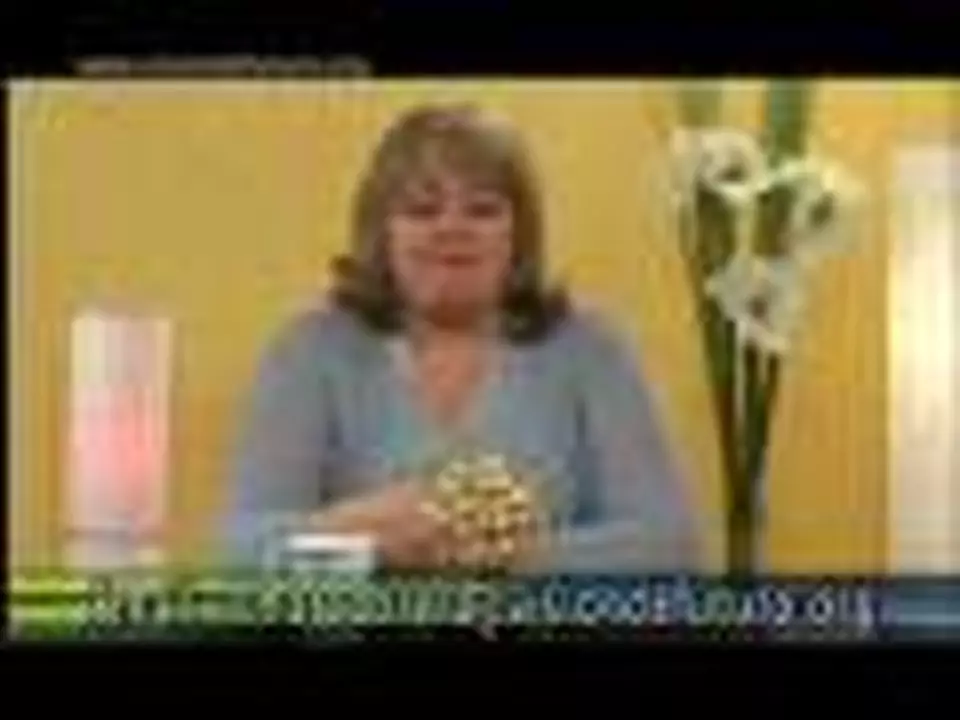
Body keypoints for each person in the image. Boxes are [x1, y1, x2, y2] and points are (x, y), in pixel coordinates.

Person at [222, 103, 703, 574]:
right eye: (422, 210)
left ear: (519, 234)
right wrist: (369, 542)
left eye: (483, 210)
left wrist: (505, 554)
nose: (452, 228)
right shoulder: (310, 351)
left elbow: (669, 545)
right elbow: (243, 554)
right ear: (381, 231)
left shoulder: (592, 349)